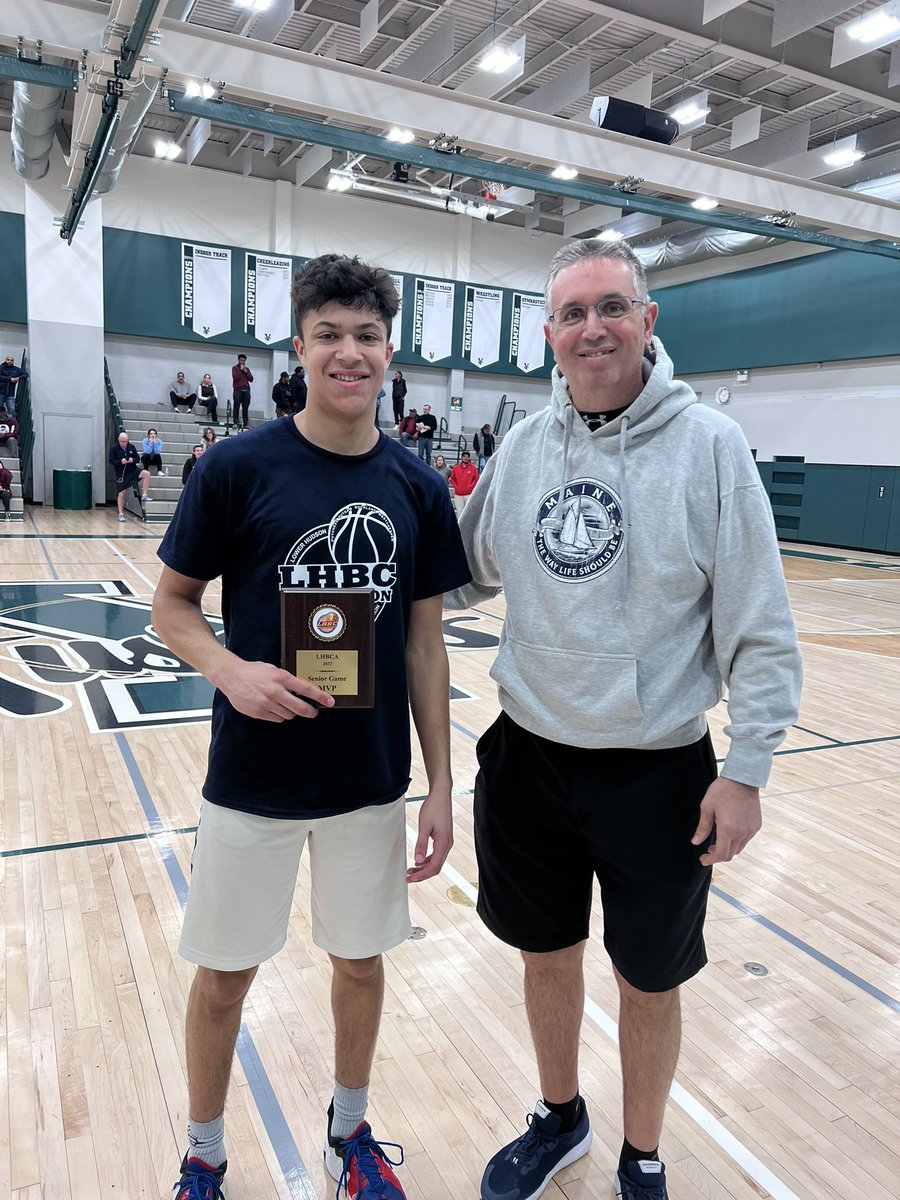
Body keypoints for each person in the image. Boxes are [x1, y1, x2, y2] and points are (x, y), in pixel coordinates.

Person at [449, 238, 802, 1200]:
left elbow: (760, 621)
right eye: (572, 313)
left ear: (647, 321)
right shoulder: (523, 447)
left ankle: (641, 1154)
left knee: (650, 978)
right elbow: (463, 575)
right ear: (550, 337)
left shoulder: (710, 448)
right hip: (529, 759)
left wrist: (751, 765)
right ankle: (560, 1117)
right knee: (546, 953)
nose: (592, 328)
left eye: (612, 307)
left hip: (657, 771)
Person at [152, 253, 470, 1200]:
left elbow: (425, 646)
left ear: (388, 351)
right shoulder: (236, 466)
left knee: (360, 964)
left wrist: (442, 783)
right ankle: (205, 1153)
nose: (348, 352)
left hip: (366, 784)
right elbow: (170, 607)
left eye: (366, 335)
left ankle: (349, 1134)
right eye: (328, 334)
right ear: (299, 348)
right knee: (222, 977)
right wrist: (229, 670)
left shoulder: (416, 488)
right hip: (251, 776)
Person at [109, 431, 151, 522]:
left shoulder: (131, 447)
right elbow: (111, 461)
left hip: (132, 470)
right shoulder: (114, 449)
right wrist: (121, 461)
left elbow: (137, 458)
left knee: (146, 474)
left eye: (126, 441)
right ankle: (120, 513)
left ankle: (144, 495)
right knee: (121, 493)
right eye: (122, 441)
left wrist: (132, 460)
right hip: (122, 473)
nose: (124, 443)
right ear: (118, 440)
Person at [448, 450, 478, 516]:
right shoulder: (456, 468)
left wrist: (471, 486)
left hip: (468, 494)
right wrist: (456, 487)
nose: (466, 458)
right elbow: (452, 479)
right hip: (458, 494)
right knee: (459, 512)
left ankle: (468, 526)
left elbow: (476, 478)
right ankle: (459, 526)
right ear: (461, 458)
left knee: (468, 512)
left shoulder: (473, 468)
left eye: (467, 456)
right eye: (464, 456)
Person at [232, 354, 253, 429]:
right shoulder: (235, 368)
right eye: (241, 360)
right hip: (238, 390)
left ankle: (246, 423)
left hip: (246, 390)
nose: (242, 362)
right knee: (236, 406)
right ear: (238, 360)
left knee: (245, 407)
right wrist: (240, 370)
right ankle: (235, 422)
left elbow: (251, 379)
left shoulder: (247, 369)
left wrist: (246, 371)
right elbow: (236, 378)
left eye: (244, 361)